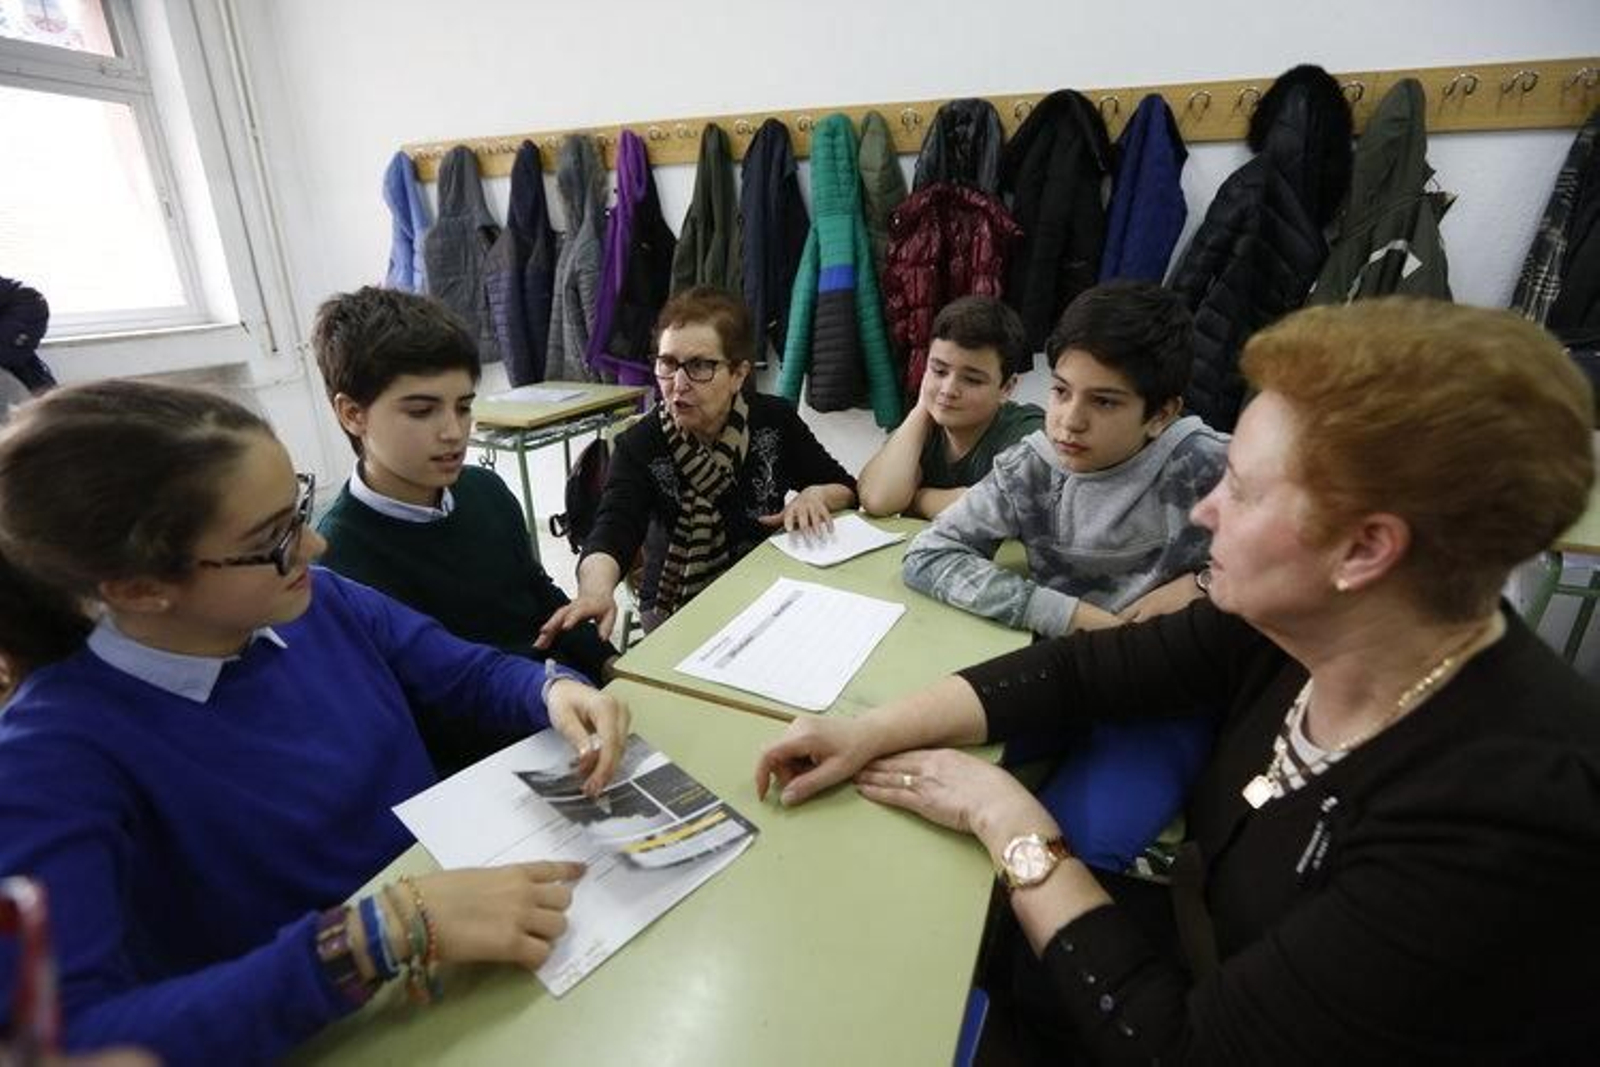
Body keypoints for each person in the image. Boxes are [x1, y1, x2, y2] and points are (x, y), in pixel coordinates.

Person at [755, 298, 1600, 1061]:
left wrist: (1010, 819)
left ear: (1366, 549)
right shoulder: (1302, 625)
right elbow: (1083, 668)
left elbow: (1186, 1049)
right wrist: (868, 728)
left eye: (1243, 488)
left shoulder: (1502, 819)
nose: (1204, 511)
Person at [0, 380, 630, 1065]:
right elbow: (72, 1040)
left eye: (295, 508)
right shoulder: (49, 757)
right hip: (332, 1021)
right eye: (272, 539)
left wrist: (553, 690)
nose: (318, 543)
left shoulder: (320, 603)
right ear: (138, 587)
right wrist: (371, 935)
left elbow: (467, 673)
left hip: (457, 946)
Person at [900, 282, 1228, 872]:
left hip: (1166, 694)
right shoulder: (1031, 464)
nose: (1068, 422)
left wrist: (1204, 582)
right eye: (1059, 391)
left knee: (1079, 851)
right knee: (913, 770)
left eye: (1104, 402)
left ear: (1162, 413)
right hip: (1062, 674)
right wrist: (1071, 615)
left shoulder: (1210, 463)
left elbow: (1313, 548)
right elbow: (927, 556)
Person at [310, 286, 616, 774]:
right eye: (421, 410)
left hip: (565, 710)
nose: (453, 432)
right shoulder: (336, 561)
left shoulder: (485, 491)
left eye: (463, 406)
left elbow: (537, 597)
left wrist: (611, 666)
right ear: (353, 414)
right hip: (479, 768)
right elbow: (413, 711)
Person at [538, 286, 855, 641]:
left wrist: (816, 495)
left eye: (701, 365)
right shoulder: (642, 443)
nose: (678, 384)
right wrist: (596, 591)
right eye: (668, 363)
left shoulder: (773, 420)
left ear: (738, 374)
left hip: (766, 580)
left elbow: (846, 486)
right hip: (675, 603)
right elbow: (613, 528)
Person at [857, 296, 1042, 519]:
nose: (948, 389)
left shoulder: (1027, 431)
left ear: (1007, 388)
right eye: (939, 371)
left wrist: (918, 500)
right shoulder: (922, 428)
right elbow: (878, 500)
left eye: (972, 380)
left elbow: (995, 509)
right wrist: (921, 409)